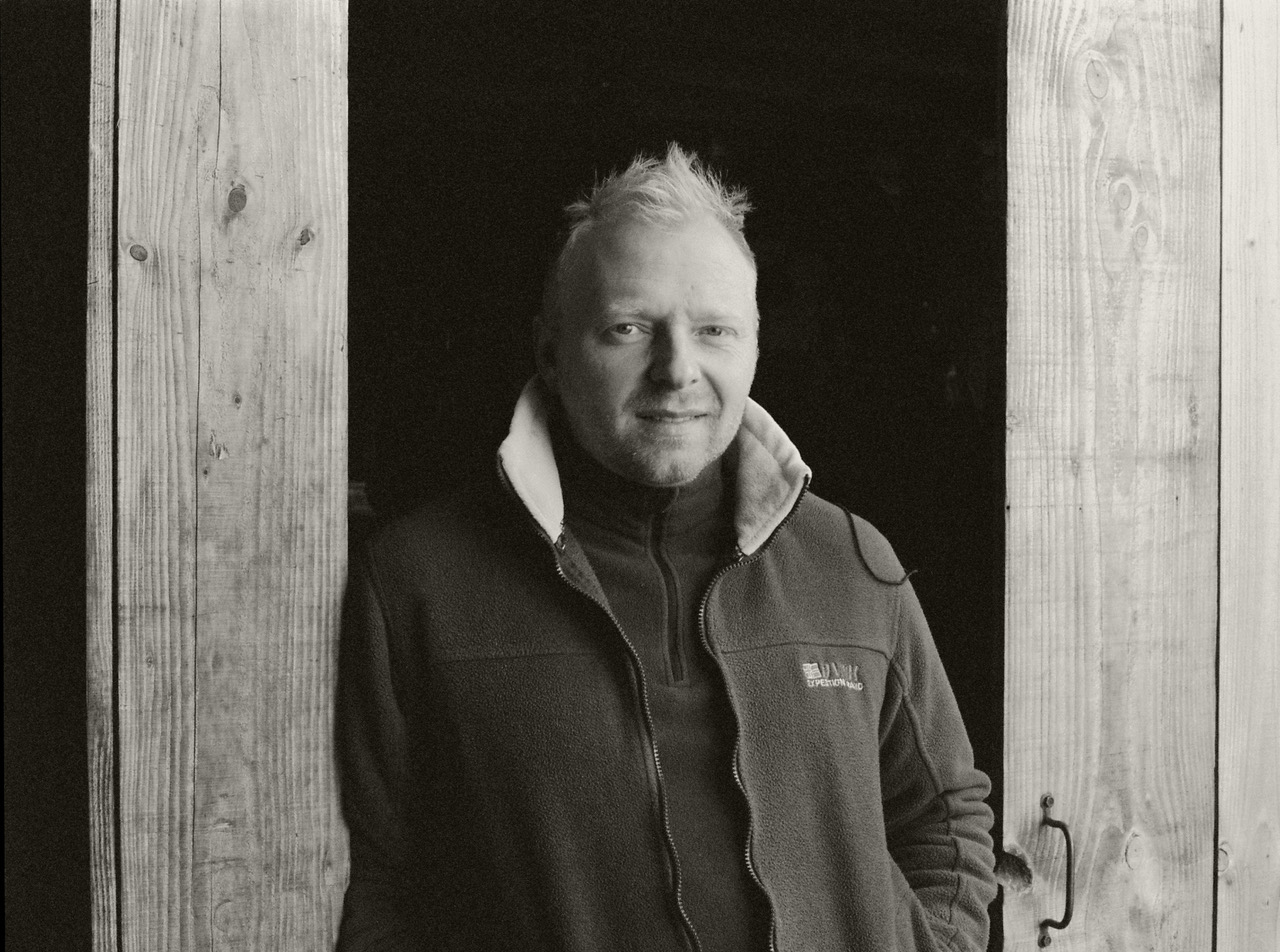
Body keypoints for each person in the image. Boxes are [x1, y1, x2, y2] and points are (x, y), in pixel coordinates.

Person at [336, 144, 996, 952]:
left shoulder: (854, 565)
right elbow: (381, 886)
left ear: (754, 348)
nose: (677, 369)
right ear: (551, 351)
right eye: (628, 328)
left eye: (715, 330)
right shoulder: (418, 585)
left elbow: (944, 816)